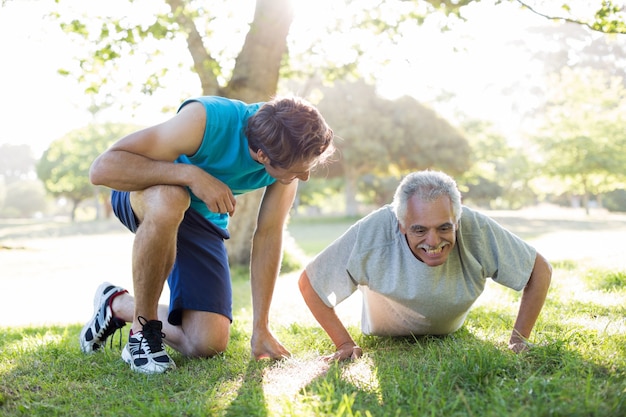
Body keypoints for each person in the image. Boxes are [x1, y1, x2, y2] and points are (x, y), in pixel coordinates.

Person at [79, 95, 335, 374]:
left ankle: (117, 304)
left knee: (206, 344)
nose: (305, 177)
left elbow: (269, 235)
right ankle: (142, 332)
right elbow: (102, 168)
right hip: (146, 191)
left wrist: (261, 327)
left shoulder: (288, 150)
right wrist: (191, 175)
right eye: (298, 171)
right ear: (262, 156)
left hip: (201, 219)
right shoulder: (205, 120)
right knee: (172, 199)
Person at [298, 170, 552, 361]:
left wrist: (518, 339)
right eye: (419, 229)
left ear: (457, 219)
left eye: (444, 227)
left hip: (449, 328)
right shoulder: (372, 233)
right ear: (401, 224)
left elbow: (539, 269)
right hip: (385, 330)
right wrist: (343, 343)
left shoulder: (476, 228)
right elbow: (310, 283)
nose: (433, 241)